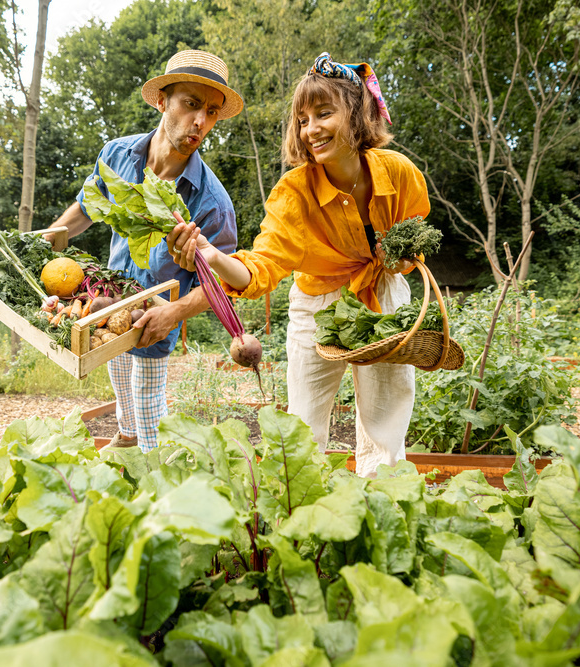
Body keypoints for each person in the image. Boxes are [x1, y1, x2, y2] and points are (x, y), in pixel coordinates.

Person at [167, 52, 430, 476]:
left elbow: (414, 236)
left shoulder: (399, 173)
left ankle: (383, 502)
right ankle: (302, 509)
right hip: (317, 304)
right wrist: (213, 256)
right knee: (303, 425)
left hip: (382, 295)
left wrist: (399, 261)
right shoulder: (294, 193)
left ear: (358, 113)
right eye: (303, 119)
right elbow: (260, 267)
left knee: (386, 418)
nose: (311, 129)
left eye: (324, 113)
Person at [45, 49, 243, 452]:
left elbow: (225, 281)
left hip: (156, 318)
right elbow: (86, 209)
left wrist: (175, 312)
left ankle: (159, 489)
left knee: (149, 413)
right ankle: (126, 451)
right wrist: (43, 243)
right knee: (125, 408)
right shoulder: (118, 155)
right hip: (110, 304)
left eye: (211, 111)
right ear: (161, 101)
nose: (201, 122)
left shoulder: (211, 201)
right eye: (190, 105)